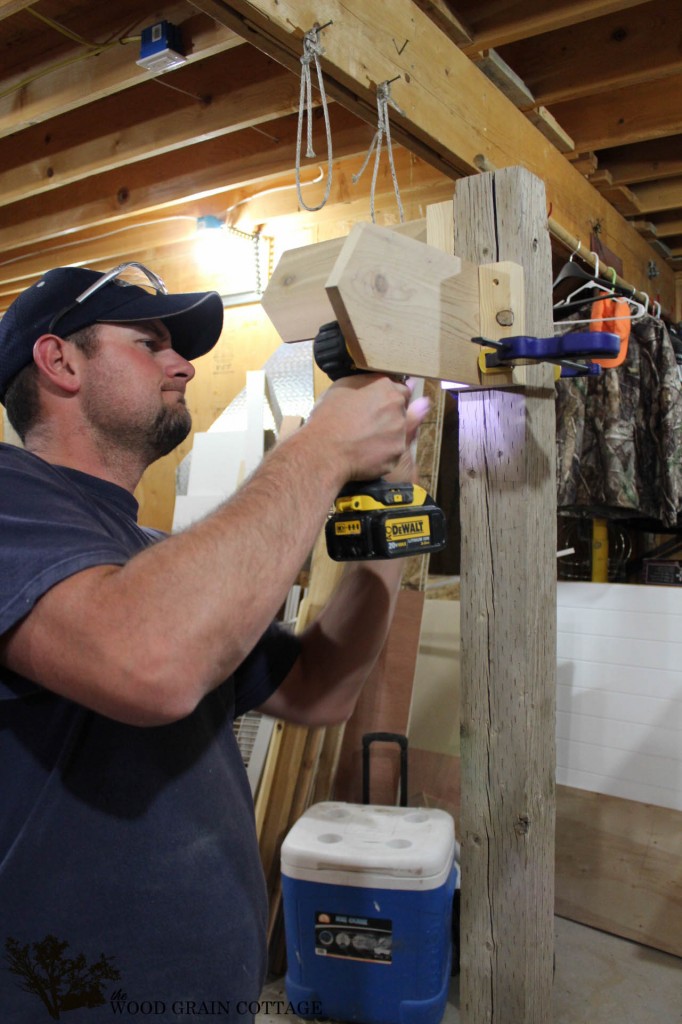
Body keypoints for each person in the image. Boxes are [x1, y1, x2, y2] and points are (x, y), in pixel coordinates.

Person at [0, 263, 428, 1021]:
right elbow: (148, 662)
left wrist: (386, 516)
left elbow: (319, 689)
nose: (185, 364)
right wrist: (323, 446)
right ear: (59, 361)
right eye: (150, 342)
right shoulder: (11, 502)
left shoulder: (145, 552)